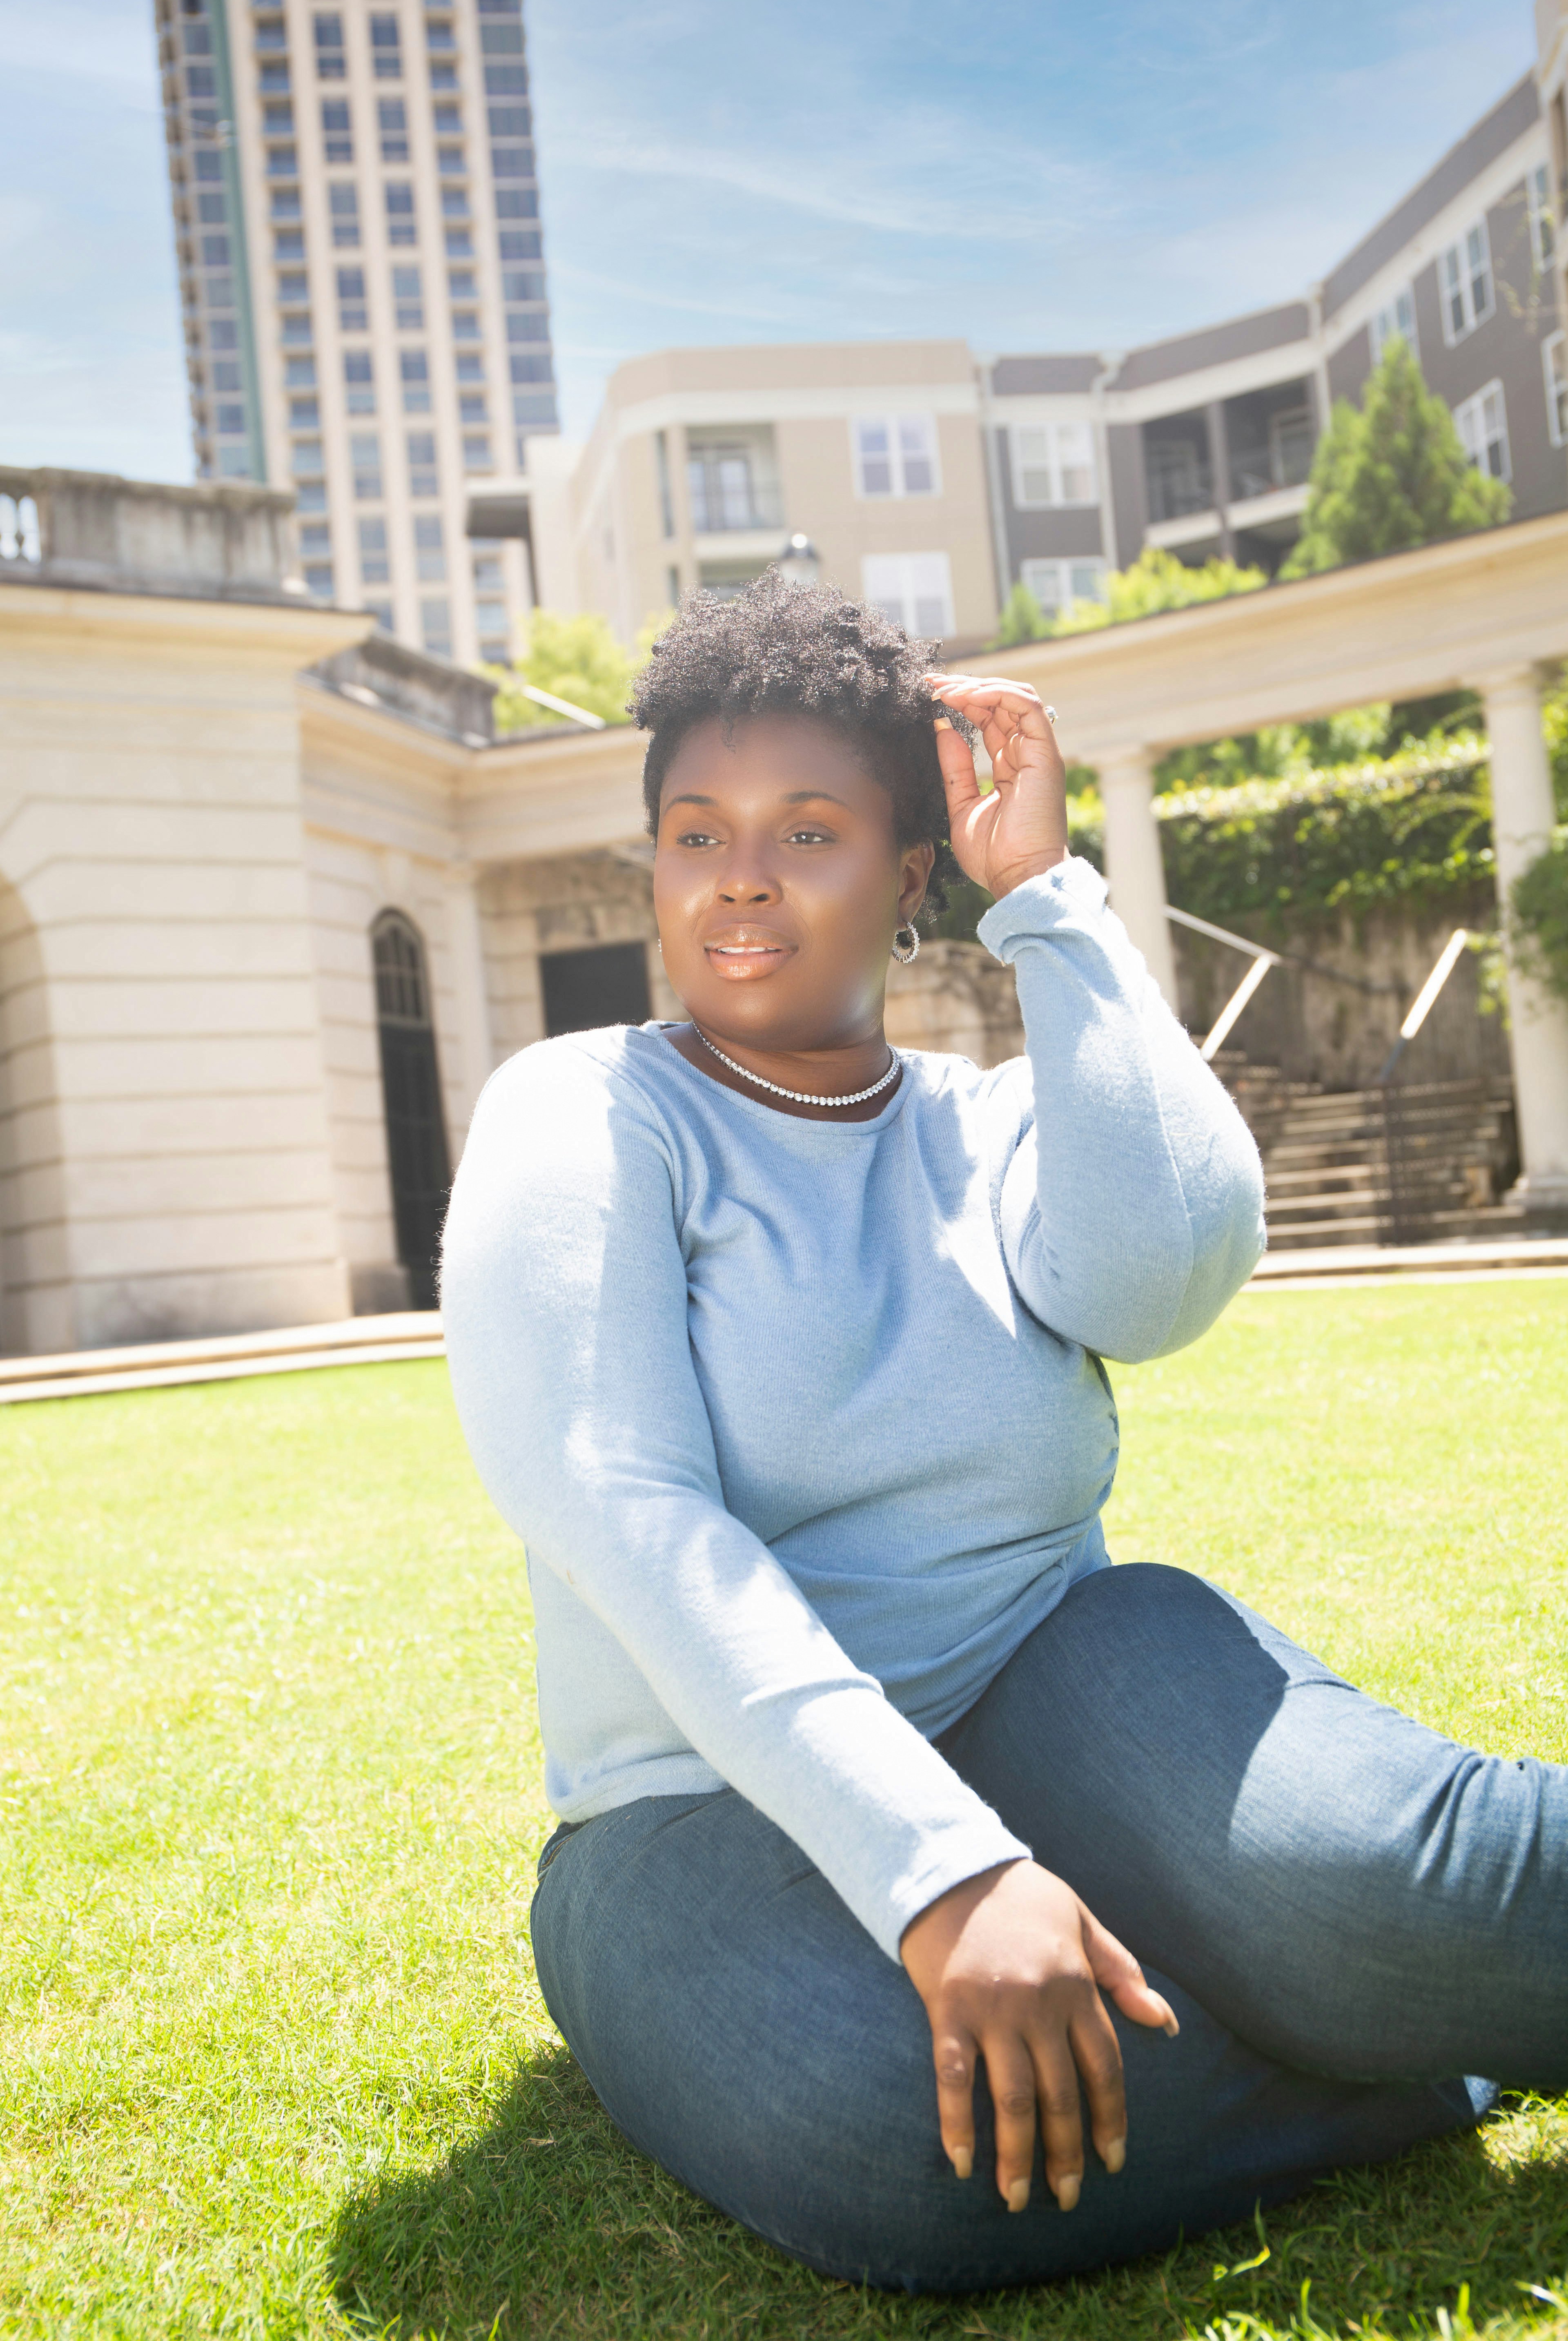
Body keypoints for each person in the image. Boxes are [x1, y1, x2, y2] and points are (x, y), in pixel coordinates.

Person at [440, 576, 1565, 2295]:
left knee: (1392, 1888)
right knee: (908, 2139)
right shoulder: (582, 1115)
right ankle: (1405, 2050)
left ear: (910, 877)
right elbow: (631, 1511)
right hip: (690, 1813)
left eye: (808, 831)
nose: (739, 875)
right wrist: (945, 1875)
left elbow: (1168, 1274)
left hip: (1064, 1674)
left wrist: (1046, 899)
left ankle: (1345, 1980)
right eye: (695, 832)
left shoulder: (1000, 1123)